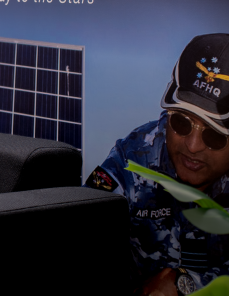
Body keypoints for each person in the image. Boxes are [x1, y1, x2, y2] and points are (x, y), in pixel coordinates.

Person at [85, 33, 229, 295]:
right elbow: (80, 241)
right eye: (181, 122)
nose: (193, 145)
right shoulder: (132, 159)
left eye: (214, 135)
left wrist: (185, 286)